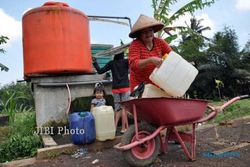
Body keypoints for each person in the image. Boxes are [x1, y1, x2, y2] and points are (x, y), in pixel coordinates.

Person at [128, 14, 173, 91]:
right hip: (139, 85)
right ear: (139, 35)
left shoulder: (160, 42)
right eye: (144, 32)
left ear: (153, 31)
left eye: (150, 30)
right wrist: (151, 60)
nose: (148, 34)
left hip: (156, 82)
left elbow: (172, 56)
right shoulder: (135, 44)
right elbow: (133, 64)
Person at [92, 51, 130, 134]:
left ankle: (114, 128)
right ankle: (124, 129)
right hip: (125, 88)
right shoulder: (126, 61)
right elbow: (135, 66)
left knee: (117, 108)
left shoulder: (112, 63)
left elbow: (100, 71)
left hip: (115, 88)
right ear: (122, 54)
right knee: (124, 108)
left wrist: (95, 62)